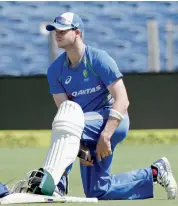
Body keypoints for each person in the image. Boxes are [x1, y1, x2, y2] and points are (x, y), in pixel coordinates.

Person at [45, 12, 177, 200]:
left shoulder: (98, 59)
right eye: (55, 30)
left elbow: (122, 99)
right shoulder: (55, 70)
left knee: (63, 125)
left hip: (112, 121)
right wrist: (81, 149)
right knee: (98, 190)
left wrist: (106, 135)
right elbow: (65, 111)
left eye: (62, 30)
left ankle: (58, 182)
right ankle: (155, 172)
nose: (57, 34)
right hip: (83, 129)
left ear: (77, 33)